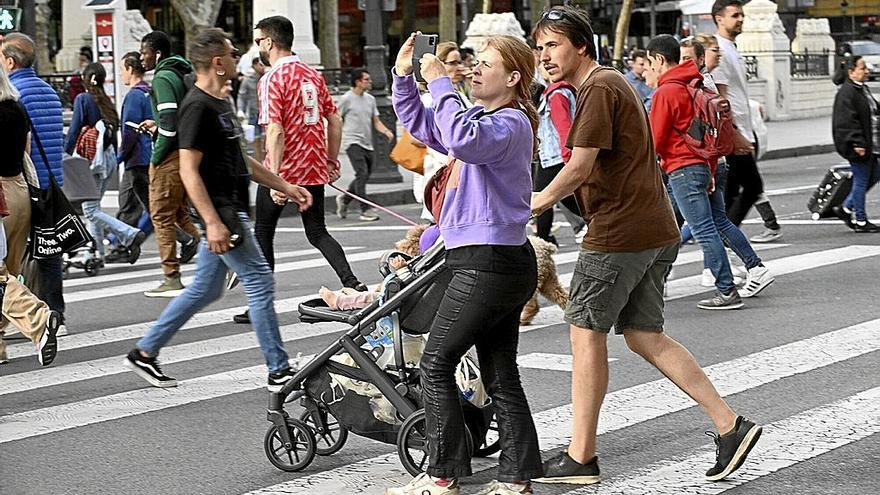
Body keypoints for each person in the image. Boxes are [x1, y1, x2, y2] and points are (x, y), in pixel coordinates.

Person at [531, 6, 761, 485]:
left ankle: (580, 457)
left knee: (584, 332)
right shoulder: (611, 83)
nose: (544, 56)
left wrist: (533, 203)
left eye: (552, 45)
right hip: (652, 227)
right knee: (643, 335)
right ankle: (729, 425)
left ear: (579, 45)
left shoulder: (596, 88)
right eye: (539, 47)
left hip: (620, 230)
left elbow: (579, 165)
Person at [388, 32, 543, 495]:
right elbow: (424, 127)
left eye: (486, 64)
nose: (473, 69)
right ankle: (516, 479)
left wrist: (440, 83)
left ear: (513, 78)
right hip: (495, 261)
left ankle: (442, 475)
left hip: (487, 261)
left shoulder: (509, 123)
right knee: (499, 373)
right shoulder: (483, 120)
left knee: (435, 362)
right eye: (473, 62)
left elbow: (459, 135)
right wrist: (403, 77)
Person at [123, 28, 313, 392]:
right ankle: (278, 369)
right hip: (222, 213)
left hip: (230, 208)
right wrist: (211, 222)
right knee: (259, 280)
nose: (235, 57)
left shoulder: (219, 103)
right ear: (217, 62)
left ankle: (144, 352)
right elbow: (187, 170)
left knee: (205, 290)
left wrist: (285, 186)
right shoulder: (195, 107)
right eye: (230, 53)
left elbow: (242, 160)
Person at [236, 15, 365, 324]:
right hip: (312, 168)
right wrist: (331, 160)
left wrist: (276, 180)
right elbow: (334, 120)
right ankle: (352, 282)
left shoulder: (272, 79)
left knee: (264, 231)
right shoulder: (313, 74)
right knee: (317, 231)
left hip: (283, 170)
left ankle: (260, 305)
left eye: (258, 41)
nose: (259, 47)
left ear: (269, 42)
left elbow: (275, 132)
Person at [647, 35, 774, 308]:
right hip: (706, 165)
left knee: (703, 231)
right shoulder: (694, 85)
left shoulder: (666, 92)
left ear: (658, 59)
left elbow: (654, 140)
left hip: (683, 169)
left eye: (649, 61)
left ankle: (726, 290)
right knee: (718, 222)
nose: (650, 67)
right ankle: (755, 267)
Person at [2, 33, 67, 333]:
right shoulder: (50, 91)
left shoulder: (15, 95)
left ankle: (28, 315)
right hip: (51, 182)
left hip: (22, 182)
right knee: (48, 250)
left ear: (11, 61)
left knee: (8, 261)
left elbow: (22, 148)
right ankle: (56, 310)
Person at [712, 0, 782, 243]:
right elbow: (720, 98)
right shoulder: (718, 51)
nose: (740, 19)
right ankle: (724, 243)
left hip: (741, 130)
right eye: (735, 15)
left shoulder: (732, 48)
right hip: (733, 133)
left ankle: (719, 250)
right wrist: (734, 132)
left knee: (730, 195)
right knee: (752, 187)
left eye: (741, 15)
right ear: (719, 18)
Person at [64, 62, 147, 265]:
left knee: (91, 210)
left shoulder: (83, 99)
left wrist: (63, 155)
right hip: (107, 158)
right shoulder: (106, 102)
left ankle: (129, 233)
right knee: (93, 207)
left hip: (91, 160)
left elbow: (74, 131)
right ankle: (95, 254)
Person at [139, 30, 202, 297]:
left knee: (162, 215)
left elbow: (169, 122)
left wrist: (156, 156)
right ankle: (224, 258)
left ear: (158, 53)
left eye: (144, 52)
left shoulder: (163, 77)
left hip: (169, 155)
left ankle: (171, 276)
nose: (142, 58)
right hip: (187, 150)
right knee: (179, 214)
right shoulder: (179, 71)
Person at [534, 64, 585, 245]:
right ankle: (544, 236)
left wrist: (567, 155)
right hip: (555, 155)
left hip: (555, 155)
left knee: (543, 195)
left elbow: (564, 127)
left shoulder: (556, 94)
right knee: (559, 195)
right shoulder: (561, 92)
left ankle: (542, 238)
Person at [335, 68, 395, 222]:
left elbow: (375, 121)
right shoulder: (346, 99)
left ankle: (345, 199)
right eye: (366, 79)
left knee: (366, 174)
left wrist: (386, 131)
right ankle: (365, 209)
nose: (370, 82)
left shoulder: (370, 99)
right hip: (352, 141)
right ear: (358, 82)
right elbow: (336, 119)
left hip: (367, 143)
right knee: (361, 173)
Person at [831, 55, 880, 233]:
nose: (867, 71)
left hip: (871, 143)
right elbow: (846, 122)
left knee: (875, 174)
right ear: (851, 72)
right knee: (861, 180)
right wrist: (856, 143)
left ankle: (845, 208)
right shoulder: (847, 92)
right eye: (862, 68)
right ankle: (860, 220)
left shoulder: (861, 89)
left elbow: (873, 110)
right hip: (859, 146)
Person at [237, 56, 264, 137]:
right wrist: (241, 110)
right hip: (254, 112)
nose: (262, 67)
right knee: (255, 137)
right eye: (260, 65)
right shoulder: (247, 79)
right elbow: (242, 96)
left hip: (266, 113)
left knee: (266, 137)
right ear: (254, 65)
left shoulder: (267, 77)